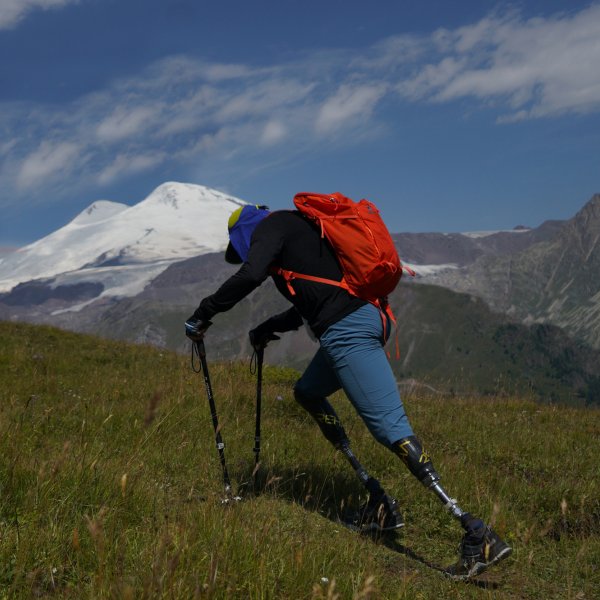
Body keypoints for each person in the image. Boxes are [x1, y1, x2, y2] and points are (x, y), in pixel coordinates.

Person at [185, 201, 512, 580]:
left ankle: (476, 532)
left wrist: (203, 313)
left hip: (348, 333)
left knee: (390, 428)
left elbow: (249, 274)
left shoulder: (269, 228)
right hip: (361, 319)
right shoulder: (301, 233)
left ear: (244, 234)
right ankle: (379, 503)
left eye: (240, 246)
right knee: (307, 391)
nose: (244, 251)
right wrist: (266, 328)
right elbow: (311, 304)